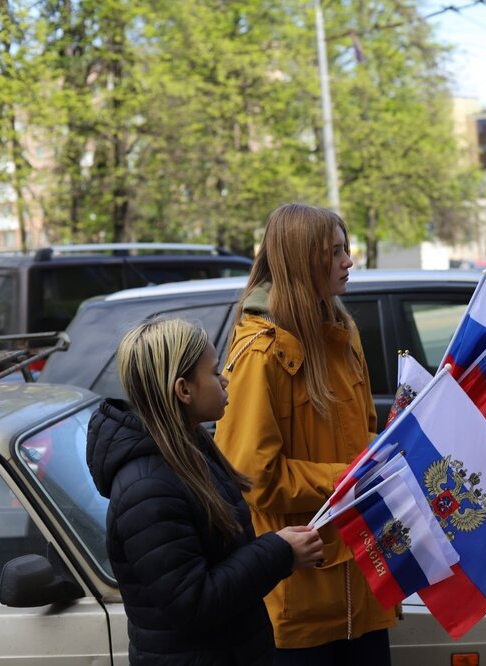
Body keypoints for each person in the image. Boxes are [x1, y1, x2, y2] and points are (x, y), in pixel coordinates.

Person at [214, 203, 395, 665]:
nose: (348, 262)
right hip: (299, 599)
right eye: (335, 252)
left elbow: (364, 436)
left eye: (346, 249)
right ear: (302, 260)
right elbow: (251, 476)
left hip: (363, 588)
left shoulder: (342, 331)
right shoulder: (260, 352)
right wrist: (351, 477)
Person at [87, 318, 325, 665]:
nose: (225, 380)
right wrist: (279, 553)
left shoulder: (188, 451)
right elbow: (192, 602)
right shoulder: (148, 489)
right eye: (214, 373)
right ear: (184, 390)